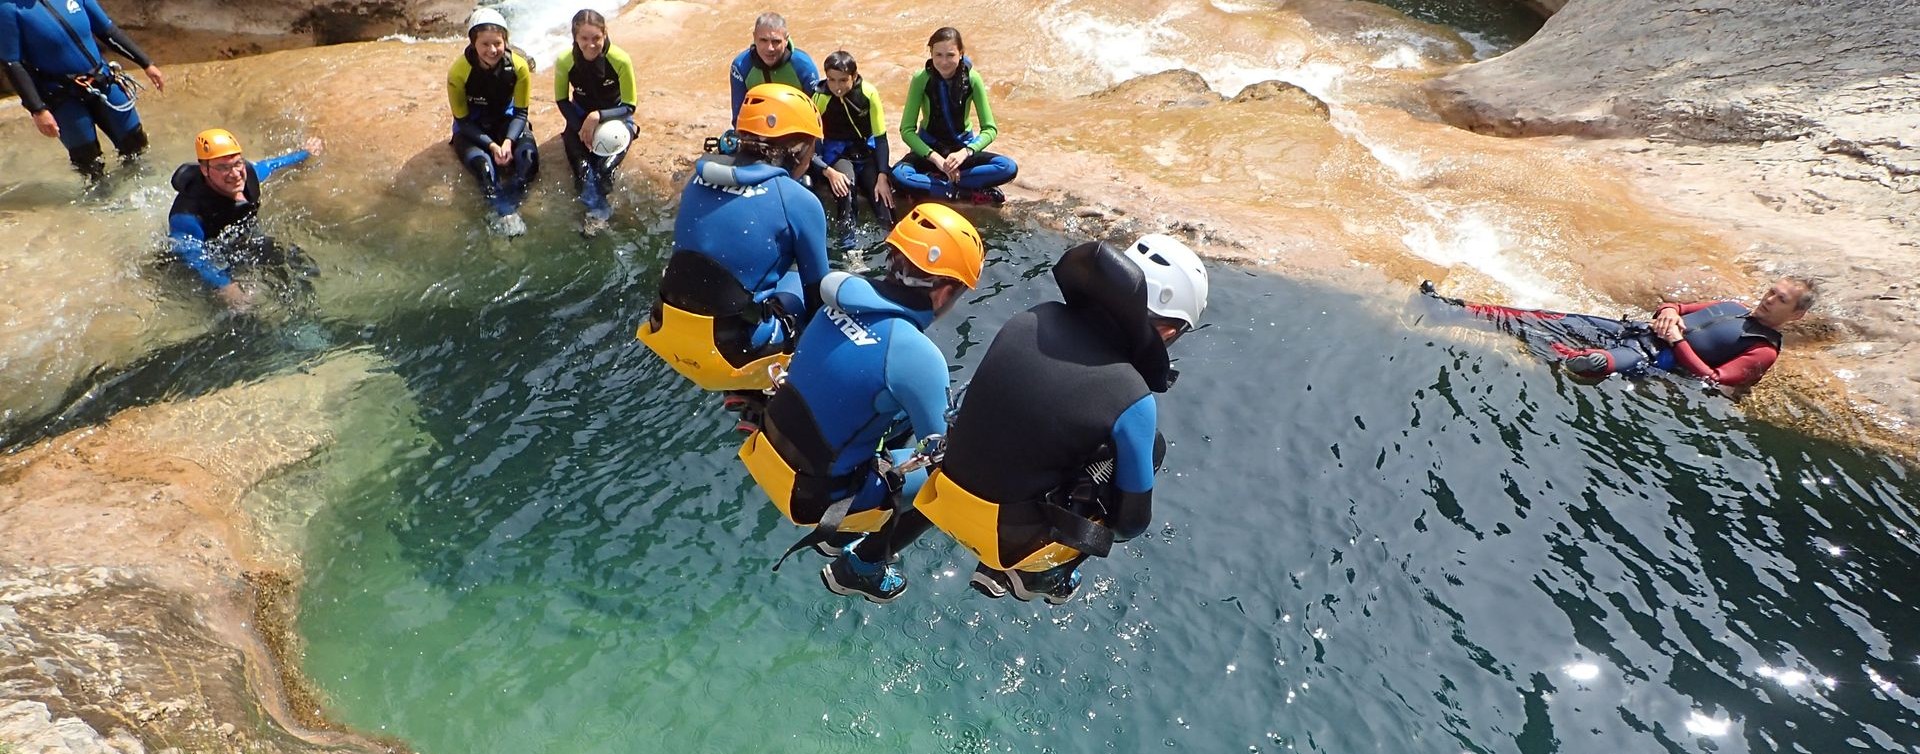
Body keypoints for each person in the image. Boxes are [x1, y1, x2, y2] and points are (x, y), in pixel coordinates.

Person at [825, 234, 1207, 605]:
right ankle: (1035, 573)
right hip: (1007, 537)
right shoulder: (1133, 396)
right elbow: (1131, 524)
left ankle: (863, 561)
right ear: (1168, 331)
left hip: (943, 489)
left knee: (993, 439)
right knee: (1146, 447)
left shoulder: (1034, 318)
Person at [733, 204, 985, 604]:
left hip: (768, 451)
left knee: (889, 404)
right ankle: (861, 566)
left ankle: (840, 537)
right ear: (944, 292)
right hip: (810, 496)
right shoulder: (916, 356)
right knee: (950, 487)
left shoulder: (843, 297)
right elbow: (945, 457)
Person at [635, 83, 828, 404]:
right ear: (800, 149)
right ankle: (777, 393)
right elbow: (819, 301)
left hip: (666, 332)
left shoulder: (698, 179)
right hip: (731, 355)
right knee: (803, 290)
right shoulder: (798, 200)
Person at [1420, 276, 1816, 388]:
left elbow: (1714, 380)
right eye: (1771, 291)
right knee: (1553, 317)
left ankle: (1555, 357)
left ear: (1794, 316)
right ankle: (1458, 309)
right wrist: (1668, 315)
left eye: (1780, 300)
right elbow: (1675, 306)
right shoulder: (1731, 306)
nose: (1768, 300)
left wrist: (1676, 341)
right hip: (1635, 331)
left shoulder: (1763, 349)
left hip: (1654, 359)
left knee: (1593, 363)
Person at [1, 0, 165, 180]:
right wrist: (38, 109)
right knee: (89, 165)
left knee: (136, 146)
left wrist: (146, 63)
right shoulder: (8, 9)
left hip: (103, 82)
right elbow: (12, 63)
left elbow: (107, 30)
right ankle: (103, 202)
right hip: (62, 96)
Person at [165, 129, 323, 310]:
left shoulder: (247, 174)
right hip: (212, 256)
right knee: (241, 312)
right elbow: (191, 254)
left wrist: (305, 153)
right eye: (223, 167)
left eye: (237, 163)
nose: (235, 174)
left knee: (303, 269)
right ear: (204, 170)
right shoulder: (186, 216)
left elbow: (272, 165)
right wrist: (224, 284)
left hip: (244, 239)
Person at [890, 27, 1017, 206]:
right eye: (938, 55)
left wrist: (965, 153)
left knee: (1008, 167)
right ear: (931, 54)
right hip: (930, 153)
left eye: (950, 55)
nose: (943, 62)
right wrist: (937, 160)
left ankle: (938, 186)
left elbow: (990, 129)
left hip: (961, 151)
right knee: (899, 175)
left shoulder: (973, 79)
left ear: (961, 54)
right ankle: (965, 191)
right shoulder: (921, 79)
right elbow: (906, 130)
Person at [448, 8, 537, 237]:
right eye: (485, 44)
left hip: (507, 121)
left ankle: (510, 202)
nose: (492, 50)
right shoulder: (458, 73)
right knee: (485, 171)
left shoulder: (518, 67)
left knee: (529, 163)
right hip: (472, 127)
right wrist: (492, 146)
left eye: (497, 43)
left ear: (506, 41)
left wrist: (507, 142)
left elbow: (520, 113)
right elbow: (463, 120)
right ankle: (504, 212)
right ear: (473, 44)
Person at [553, 8, 636, 238]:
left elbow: (629, 105)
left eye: (596, 38)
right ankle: (596, 212)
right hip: (578, 118)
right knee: (583, 172)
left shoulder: (620, 59)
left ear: (605, 34)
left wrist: (598, 116)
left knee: (605, 170)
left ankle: (604, 211)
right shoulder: (565, 61)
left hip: (616, 117)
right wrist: (581, 126)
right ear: (575, 38)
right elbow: (561, 99)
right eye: (584, 39)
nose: (591, 45)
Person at [809, 50, 895, 248]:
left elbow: (881, 138)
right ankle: (849, 250)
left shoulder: (868, 93)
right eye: (831, 80)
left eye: (843, 80)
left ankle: (893, 246)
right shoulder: (819, 98)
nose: (837, 87)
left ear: (854, 76)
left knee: (883, 198)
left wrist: (883, 175)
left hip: (866, 152)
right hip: (839, 155)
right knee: (845, 191)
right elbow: (808, 144)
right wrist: (827, 171)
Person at [727, 12, 820, 122]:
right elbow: (738, 118)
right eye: (763, 40)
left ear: (786, 40)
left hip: (795, 127)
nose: (770, 48)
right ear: (754, 38)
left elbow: (817, 116)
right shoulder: (740, 66)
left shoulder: (804, 66)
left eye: (776, 41)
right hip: (757, 127)